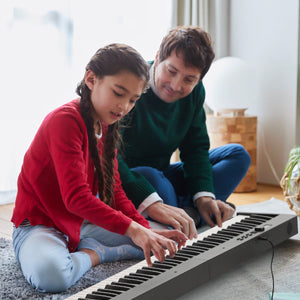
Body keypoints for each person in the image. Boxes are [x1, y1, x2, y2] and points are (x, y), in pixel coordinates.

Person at [11, 44, 187, 293]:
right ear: (91, 79)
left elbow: (115, 191)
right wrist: (134, 230)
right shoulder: (65, 121)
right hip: (41, 224)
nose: (124, 107)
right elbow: (75, 199)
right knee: (52, 276)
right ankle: (97, 254)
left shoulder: (105, 125)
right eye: (118, 93)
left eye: (133, 100)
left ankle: (89, 244)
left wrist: (144, 229)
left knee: (160, 239)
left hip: (81, 223)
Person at [117, 26, 251, 239]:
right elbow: (111, 158)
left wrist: (204, 197)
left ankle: (192, 211)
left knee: (237, 155)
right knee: (151, 177)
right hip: (130, 181)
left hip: (164, 176)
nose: (176, 85)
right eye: (171, 71)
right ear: (158, 57)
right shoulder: (131, 85)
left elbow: (195, 148)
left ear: (199, 79)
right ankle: (188, 214)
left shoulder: (196, 92)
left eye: (189, 79)